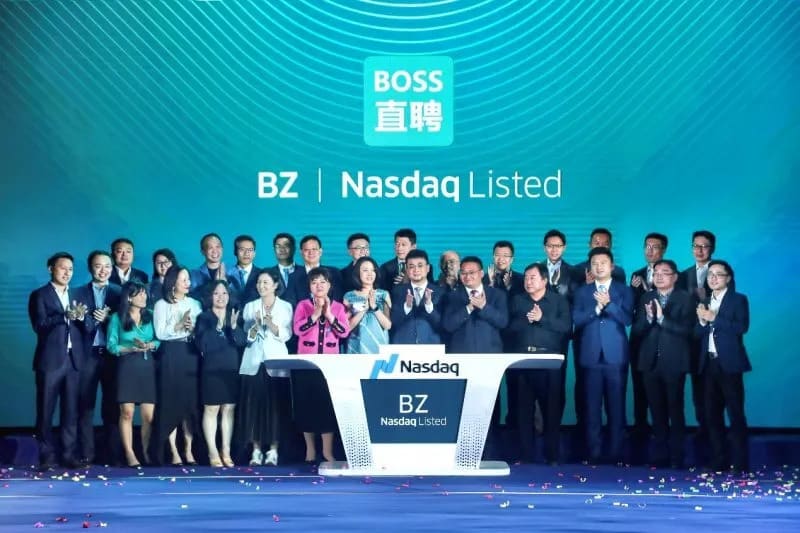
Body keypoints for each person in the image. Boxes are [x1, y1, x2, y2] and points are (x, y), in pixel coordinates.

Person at [28, 252, 89, 469]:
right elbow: (39, 325)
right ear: (51, 269)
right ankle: (46, 456)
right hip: (50, 361)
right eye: (62, 268)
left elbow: (88, 326)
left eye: (70, 269)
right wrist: (64, 316)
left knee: (71, 411)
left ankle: (69, 455)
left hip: (74, 360)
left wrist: (82, 317)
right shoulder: (40, 295)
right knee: (45, 411)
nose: (67, 273)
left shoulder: (77, 294)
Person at [631, 260, 694, 468]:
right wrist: (649, 319)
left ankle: (677, 457)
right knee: (656, 411)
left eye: (664, 272)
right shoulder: (646, 297)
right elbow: (637, 330)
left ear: (675, 277)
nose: (658, 276)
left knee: (675, 410)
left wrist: (661, 320)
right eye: (656, 272)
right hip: (649, 362)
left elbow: (688, 331)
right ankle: (660, 455)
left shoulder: (686, 298)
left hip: (674, 362)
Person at [573, 247, 633, 464]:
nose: (599, 267)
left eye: (603, 263)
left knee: (616, 408)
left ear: (611, 266)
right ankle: (594, 454)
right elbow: (577, 320)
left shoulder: (624, 291)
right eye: (595, 263)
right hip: (590, 356)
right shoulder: (582, 292)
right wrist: (596, 310)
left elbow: (627, 319)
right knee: (591, 408)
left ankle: (617, 454)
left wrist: (609, 304)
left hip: (615, 357)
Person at [509, 263, 571, 465]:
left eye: (533, 277)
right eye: (526, 278)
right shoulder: (517, 300)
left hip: (549, 361)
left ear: (544, 280)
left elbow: (566, 328)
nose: (528, 281)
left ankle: (552, 456)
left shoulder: (558, 301)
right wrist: (526, 320)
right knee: (523, 411)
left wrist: (542, 318)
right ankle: (525, 455)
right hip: (523, 361)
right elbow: (508, 327)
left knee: (551, 410)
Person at [696, 260, 750, 472]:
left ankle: (740, 462)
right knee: (711, 414)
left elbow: (741, 327)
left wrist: (714, 318)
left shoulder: (738, 299)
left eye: (718, 274)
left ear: (728, 278)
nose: (713, 277)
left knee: (735, 413)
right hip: (708, 363)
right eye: (710, 274)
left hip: (729, 364)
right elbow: (697, 333)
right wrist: (702, 322)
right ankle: (719, 460)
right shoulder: (704, 301)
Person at [292, 268, 351, 463]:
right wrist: (315, 314)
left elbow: (344, 332)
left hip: (329, 366)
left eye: (322, 282)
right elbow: (298, 330)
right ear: (309, 286)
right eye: (314, 282)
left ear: (329, 285)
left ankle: (327, 451)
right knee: (305, 406)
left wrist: (329, 315)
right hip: (306, 364)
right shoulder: (303, 305)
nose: (319, 286)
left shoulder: (338, 307)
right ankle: (310, 450)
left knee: (327, 407)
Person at [238, 270, 293, 466]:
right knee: (254, 406)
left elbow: (287, 334)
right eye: (259, 282)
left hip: (276, 361)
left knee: (275, 407)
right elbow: (247, 335)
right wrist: (255, 325)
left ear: (275, 285)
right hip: (254, 361)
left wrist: (271, 324)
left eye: (266, 282)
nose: (262, 286)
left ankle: (273, 450)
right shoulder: (250, 307)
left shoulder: (285, 306)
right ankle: (256, 450)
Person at [73, 251, 122, 465]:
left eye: (107, 266)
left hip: (112, 356)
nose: (103, 270)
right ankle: (87, 454)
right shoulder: (77, 292)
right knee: (85, 406)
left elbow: (127, 322)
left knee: (112, 407)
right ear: (90, 267)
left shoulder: (119, 292)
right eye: (98, 266)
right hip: (88, 355)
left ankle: (114, 455)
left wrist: (109, 318)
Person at [153, 265, 202, 466]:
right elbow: (160, 333)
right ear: (173, 282)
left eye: (188, 279)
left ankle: (188, 449)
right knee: (171, 403)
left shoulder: (195, 304)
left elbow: (201, 332)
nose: (187, 283)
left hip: (190, 354)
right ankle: (173, 451)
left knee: (189, 404)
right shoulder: (161, 305)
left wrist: (191, 329)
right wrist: (178, 326)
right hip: (170, 354)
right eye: (183, 279)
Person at [106, 281, 159, 468]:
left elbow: (159, 339)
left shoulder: (151, 315)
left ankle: (146, 452)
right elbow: (111, 346)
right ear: (129, 297)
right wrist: (130, 348)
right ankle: (130, 453)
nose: (144, 297)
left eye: (145, 293)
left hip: (147, 366)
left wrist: (150, 345)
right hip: (127, 366)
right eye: (140, 294)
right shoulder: (117, 317)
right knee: (127, 413)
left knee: (148, 416)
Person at [195, 281, 245, 467]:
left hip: (231, 368)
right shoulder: (204, 317)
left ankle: (226, 450)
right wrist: (217, 327)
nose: (221, 297)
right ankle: (212, 451)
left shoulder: (235, 315)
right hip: (211, 368)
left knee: (229, 409)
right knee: (211, 409)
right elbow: (202, 345)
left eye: (224, 293)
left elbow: (242, 342)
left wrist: (234, 327)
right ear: (210, 296)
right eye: (216, 293)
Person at [628, 232, 669, 437]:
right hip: (640, 338)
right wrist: (635, 291)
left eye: (655, 246)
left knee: (664, 388)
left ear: (664, 250)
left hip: (664, 339)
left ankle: (662, 430)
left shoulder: (672, 273)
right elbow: (632, 308)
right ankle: (640, 427)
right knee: (639, 386)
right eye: (647, 246)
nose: (650, 250)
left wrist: (647, 290)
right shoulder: (636, 274)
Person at [442, 256, 508, 354]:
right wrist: (468, 308)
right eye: (463, 273)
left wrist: (484, 307)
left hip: (491, 353)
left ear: (481, 274)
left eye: (471, 272)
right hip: (461, 354)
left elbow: (503, 322)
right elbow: (448, 325)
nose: (467, 276)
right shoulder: (452, 296)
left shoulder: (497, 294)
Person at [390, 249, 444, 344]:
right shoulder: (397, 291)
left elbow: (443, 325)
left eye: (420, 266)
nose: (416, 270)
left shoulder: (440, 292)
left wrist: (429, 306)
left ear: (427, 268)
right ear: (406, 269)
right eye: (411, 266)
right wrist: (407, 307)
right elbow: (394, 322)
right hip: (403, 345)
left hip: (430, 345)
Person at [344, 257, 392, 354]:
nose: (370, 273)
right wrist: (363, 309)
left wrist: (374, 307)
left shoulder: (384, 294)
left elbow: (388, 325)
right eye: (365, 270)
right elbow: (346, 328)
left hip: (379, 344)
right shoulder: (349, 296)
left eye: (373, 270)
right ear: (357, 273)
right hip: (356, 345)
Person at [288, 235, 344, 305]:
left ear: (320, 252)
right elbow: (291, 303)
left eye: (314, 249)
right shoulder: (293, 277)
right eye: (306, 250)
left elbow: (339, 299)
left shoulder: (334, 273)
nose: (311, 252)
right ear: (301, 253)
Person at [227, 234, 261, 307]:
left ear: (254, 253)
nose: (246, 253)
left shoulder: (262, 274)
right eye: (242, 249)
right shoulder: (226, 274)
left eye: (250, 250)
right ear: (235, 252)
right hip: (231, 313)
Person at [264, 232, 297, 301]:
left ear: (294, 248)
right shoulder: (267, 274)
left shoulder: (305, 271)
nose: (282, 249)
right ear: (274, 249)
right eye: (278, 246)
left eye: (286, 245)